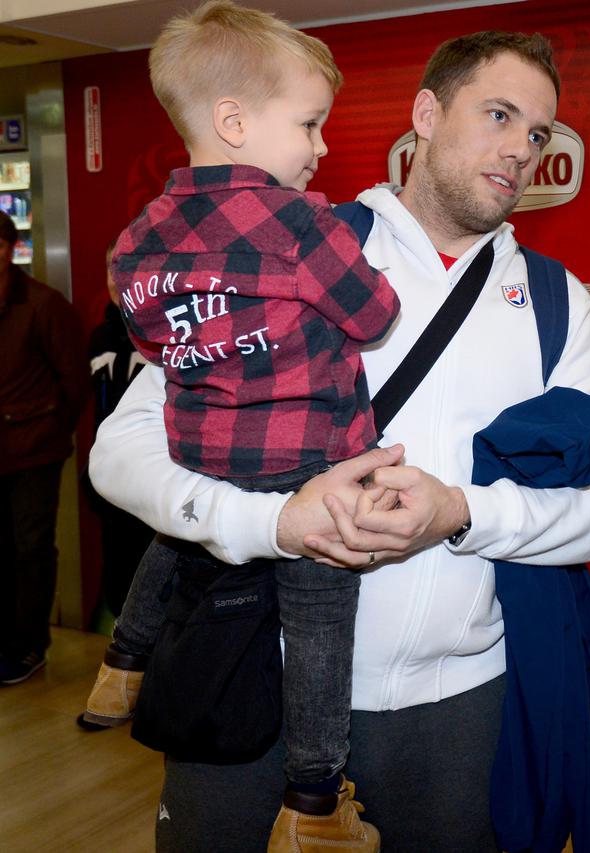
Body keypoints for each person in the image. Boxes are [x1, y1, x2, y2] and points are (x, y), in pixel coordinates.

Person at [89, 26, 590, 853]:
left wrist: (461, 511)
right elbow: (121, 450)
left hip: (458, 707)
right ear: (425, 113)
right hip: (256, 671)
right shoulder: (283, 243)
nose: (521, 150)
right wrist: (274, 525)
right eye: (497, 115)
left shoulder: (558, 304)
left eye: (537, 133)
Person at [83, 4, 401, 850]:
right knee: (323, 630)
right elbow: (375, 314)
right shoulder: (305, 224)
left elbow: (152, 340)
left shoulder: (135, 239)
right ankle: (312, 804)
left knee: (179, 541)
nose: (321, 147)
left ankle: (121, 668)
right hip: (310, 463)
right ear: (234, 121)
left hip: (206, 453)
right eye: (309, 124)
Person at [0, 211, 88, 686]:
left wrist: (50, 433)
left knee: (31, 548)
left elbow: (75, 384)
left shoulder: (43, 304)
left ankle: (29, 645)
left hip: (34, 451)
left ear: (9, 249)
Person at [83, 242, 152, 619]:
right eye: (111, 266)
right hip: (113, 490)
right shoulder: (100, 337)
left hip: (159, 488)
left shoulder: (170, 337)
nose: (117, 277)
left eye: (127, 266)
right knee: (119, 587)